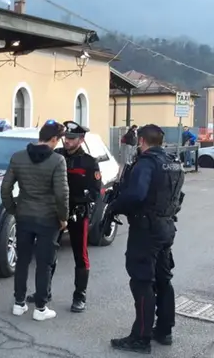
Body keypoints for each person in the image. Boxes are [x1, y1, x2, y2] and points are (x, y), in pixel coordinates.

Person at [107, 124, 183, 353]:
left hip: (146, 229)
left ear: (141, 141)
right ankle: (164, 330)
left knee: (142, 281)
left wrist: (114, 206)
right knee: (163, 279)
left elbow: (136, 194)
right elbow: (178, 196)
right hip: (166, 226)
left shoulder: (146, 163)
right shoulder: (174, 162)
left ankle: (141, 337)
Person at [25, 121, 101, 312]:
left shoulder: (89, 162)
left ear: (81, 140)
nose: (67, 141)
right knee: (47, 253)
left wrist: (76, 201)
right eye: (66, 137)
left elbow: (95, 192)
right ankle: (44, 292)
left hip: (77, 214)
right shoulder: (55, 155)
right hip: (54, 212)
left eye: (72, 139)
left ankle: (80, 296)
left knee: (80, 256)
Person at [0, 120, 69, 321]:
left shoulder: (18, 157)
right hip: (48, 219)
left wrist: (13, 209)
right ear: (54, 139)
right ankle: (40, 308)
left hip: (24, 216)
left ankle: (19, 303)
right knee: (44, 263)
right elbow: (62, 193)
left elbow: (5, 188)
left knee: (22, 260)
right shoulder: (57, 160)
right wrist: (63, 217)